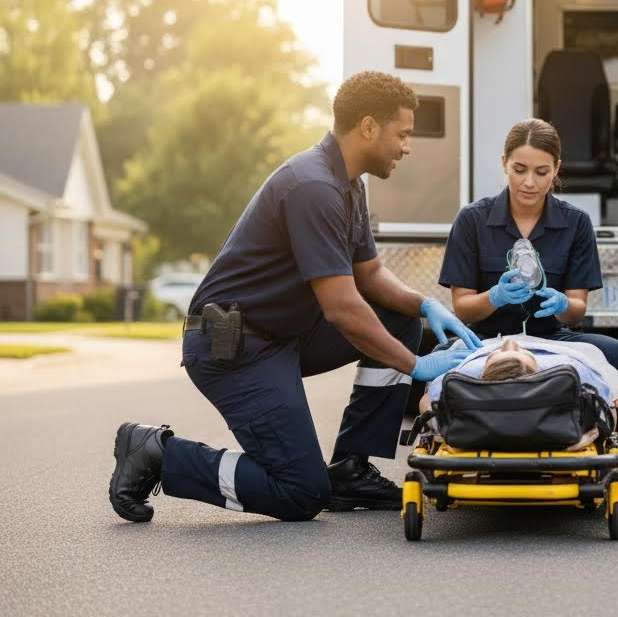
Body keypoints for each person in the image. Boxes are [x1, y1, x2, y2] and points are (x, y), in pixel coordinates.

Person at [108, 71, 479, 523]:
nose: (407, 147)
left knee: (399, 320)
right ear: (368, 128)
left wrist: (424, 305)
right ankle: (159, 454)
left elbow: (370, 274)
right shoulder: (313, 186)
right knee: (301, 491)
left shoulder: (350, 185)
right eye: (402, 134)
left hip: (282, 336)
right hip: (234, 348)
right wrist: (415, 365)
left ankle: (351, 469)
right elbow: (342, 308)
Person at [437, 118, 618, 381]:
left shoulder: (576, 222)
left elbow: (576, 310)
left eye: (541, 172)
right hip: (487, 340)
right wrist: (495, 297)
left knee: (617, 355)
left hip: (550, 340)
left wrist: (562, 304)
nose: (529, 182)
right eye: (519, 170)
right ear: (504, 163)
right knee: (440, 355)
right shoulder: (472, 219)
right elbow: (462, 308)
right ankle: (546, 379)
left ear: (556, 168)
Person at [421, 335, 618, 409]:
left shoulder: (469, 372)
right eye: (521, 351)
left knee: (441, 349)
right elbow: (609, 405)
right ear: (537, 366)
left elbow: (428, 403)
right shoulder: (569, 369)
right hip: (552, 345)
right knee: (616, 354)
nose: (511, 342)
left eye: (500, 353)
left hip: (548, 333)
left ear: (485, 369)